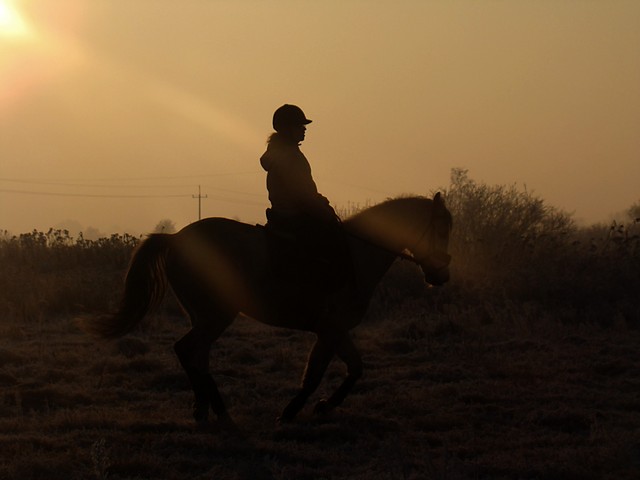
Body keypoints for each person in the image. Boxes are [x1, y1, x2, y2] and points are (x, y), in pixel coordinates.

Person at [260, 104, 349, 292]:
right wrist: (327, 214)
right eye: (299, 126)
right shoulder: (290, 156)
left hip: (285, 213)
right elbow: (302, 196)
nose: (304, 129)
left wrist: (320, 200)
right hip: (294, 215)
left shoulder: (280, 153)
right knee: (335, 245)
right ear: (287, 129)